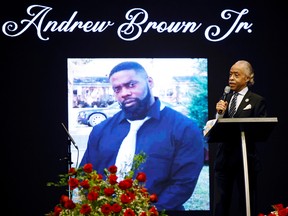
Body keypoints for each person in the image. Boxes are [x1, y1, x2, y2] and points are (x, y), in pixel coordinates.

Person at [79, 61, 204, 211]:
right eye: (117, 89)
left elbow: (183, 184)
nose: (124, 93)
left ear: (149, 82)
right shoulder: (101, 130)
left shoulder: (184, 128)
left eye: (131, 85)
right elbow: (85, 175)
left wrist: (144, 212)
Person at [213, 60, 267, 216]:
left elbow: (261, 128)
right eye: (230, 74)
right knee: (221, 203)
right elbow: (218, 128)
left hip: (245, 159)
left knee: (246, 202)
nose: (231, 78)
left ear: (248, 78)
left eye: (236, 75)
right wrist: (219, 114)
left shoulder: (257, 100)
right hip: (224, 160)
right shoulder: (225, 98)